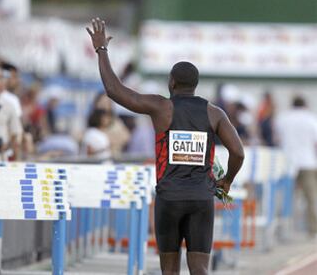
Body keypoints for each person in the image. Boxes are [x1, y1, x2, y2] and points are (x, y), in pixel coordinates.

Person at [86, 18, 245, 275]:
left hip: (169, 197)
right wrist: (227, 181)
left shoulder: (162, 108)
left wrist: (101, 50)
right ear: (195, 85)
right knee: (200, 269)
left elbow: (115, 90)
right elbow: (238, 152)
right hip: (201, 198)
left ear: (171, 83)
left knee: (169, 270)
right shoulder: (214, 113)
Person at [275, 96, 317, 237]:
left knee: (285, 197)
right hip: (307, 162)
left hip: (288, 161)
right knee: (310, 197)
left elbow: (277, 139)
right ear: (305, 105)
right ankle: (312, 230)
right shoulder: (311, 119)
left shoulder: (283, 118)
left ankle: (281, 228)